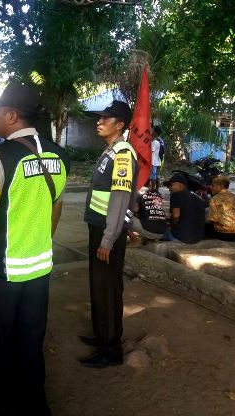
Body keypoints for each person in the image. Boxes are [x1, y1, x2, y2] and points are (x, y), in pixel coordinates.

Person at [0, 84, 68, 416]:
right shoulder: (59, 156)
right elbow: (56, 208)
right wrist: (39, 242)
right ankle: (36, 406)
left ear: (12, 115)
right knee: (30, 344)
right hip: (38, 270)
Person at [80, 100, 137, 368]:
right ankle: (102, 335)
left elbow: (120, 197)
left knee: (108, 289)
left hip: (107, 232)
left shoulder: (123, 153)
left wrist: (109, 238)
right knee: (99, 285)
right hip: (101, 227)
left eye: (107, 118)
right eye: (99, 118)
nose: (99, 122)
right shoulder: (111, 150)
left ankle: (111, 350)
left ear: (121, 124)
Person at [163, 174, 205, 243]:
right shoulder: (199, 198)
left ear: (180, 184)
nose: (169, 189)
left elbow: (176, 216)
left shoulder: (176, 195)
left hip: (183, 237)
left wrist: (171, 226)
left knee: (155, 232)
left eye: (171, 185)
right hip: (198, 237)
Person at [206, 175, 235, 241]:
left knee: (205, 226)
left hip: (226, 235)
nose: (211, 188)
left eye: (213, 185)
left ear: (221, 186)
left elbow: (213, 219)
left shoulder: (215, 199)